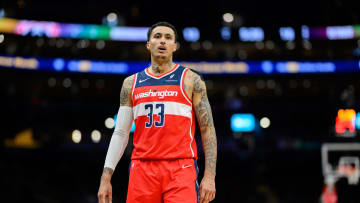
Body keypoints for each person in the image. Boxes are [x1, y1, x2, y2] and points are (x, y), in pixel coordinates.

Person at [97, 22, 217, 203]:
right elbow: (121, 133)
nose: (163, 41)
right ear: (148, 44)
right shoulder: (130, 83)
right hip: (142, 168)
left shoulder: (191, 80)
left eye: (168, 38)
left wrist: (209, 176)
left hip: (181, 167)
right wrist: (106, 177)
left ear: (175, 46)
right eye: (157, 36)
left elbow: (207, 129)